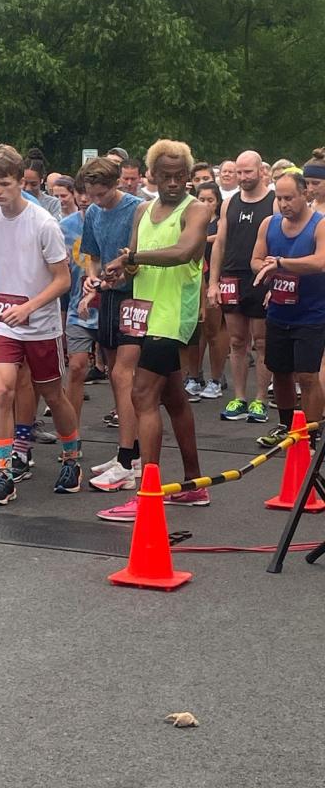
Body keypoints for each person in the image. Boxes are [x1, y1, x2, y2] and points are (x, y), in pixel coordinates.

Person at [97, 140, 210, 521]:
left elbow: (184, 252)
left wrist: (133, 258)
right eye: (167, 176)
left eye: (181, 176)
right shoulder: (143, 210)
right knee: (174, 399)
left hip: (173, 314)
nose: (175, 183)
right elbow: (133, 262)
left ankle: (147, 493)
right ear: (153, 176)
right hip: (143, 313)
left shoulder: (197, 210)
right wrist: (117, 271)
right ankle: (194, 484)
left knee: (143, 395)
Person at [0, 145, 80, 506]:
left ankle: (71, 457)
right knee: (0, 389)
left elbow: (62, 279)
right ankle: (5, 472)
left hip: (42, 324)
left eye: (4, 184)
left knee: (51, 393)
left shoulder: (43, 224)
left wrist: (31, 306)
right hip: (4, 323)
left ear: (21, 182)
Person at [78, 157, 144, 488]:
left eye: (102, 194)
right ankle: (129, 453)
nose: (96, 201)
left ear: (116, 184)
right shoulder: (92, 212)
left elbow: (143, 257)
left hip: (135, 298)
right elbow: (92, 256)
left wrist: (122, 269)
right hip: (109, 297)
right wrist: (91, 281)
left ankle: (129, 459)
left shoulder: (138, 208)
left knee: (125, 377)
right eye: (91, 195)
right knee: (115, 377)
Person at [250, 171, 325, 449]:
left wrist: (280, 263)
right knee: (279, 372)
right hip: (279, 312)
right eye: (279, 198)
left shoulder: (319, 225)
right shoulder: (269, 224)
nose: (283, 204)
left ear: (305, 194)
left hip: (312, 314)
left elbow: (320, 262)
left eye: (289, 198)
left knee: (307, 375)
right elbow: (256, 260)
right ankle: (285, 425)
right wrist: (266, 267)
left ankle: (311, 435)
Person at [206, 150, 275, 423]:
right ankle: (239, 397)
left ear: (260, 171)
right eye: (239, 172)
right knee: (236, 341)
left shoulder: (272, 202)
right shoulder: (229, 203)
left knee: (261, 342)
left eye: (248, 172)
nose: (243, 177)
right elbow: (219, 244)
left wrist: (275, 282)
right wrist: (213, 283)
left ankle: (260, 399)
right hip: (232, 277)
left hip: (260, 278)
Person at [182, 180, 229, 401]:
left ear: (217, 202)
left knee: (213, 330)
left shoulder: (221, 222)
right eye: (201, 199)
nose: (206, 204)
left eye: (210, 200)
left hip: (214, 276)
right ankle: (194, 376)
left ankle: (217, 379)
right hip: (193, 277)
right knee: (194, 331)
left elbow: (218, 240)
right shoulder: (190, 221)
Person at [62, 172, 100, 444]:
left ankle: (129, 438)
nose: (86, 198)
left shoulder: (111, 220)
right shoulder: (63, 227)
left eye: (91, 192)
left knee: (123, 374)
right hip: (78, 308)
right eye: (81, 192)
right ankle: (71, 435)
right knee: (76, 367)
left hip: (110, 306)